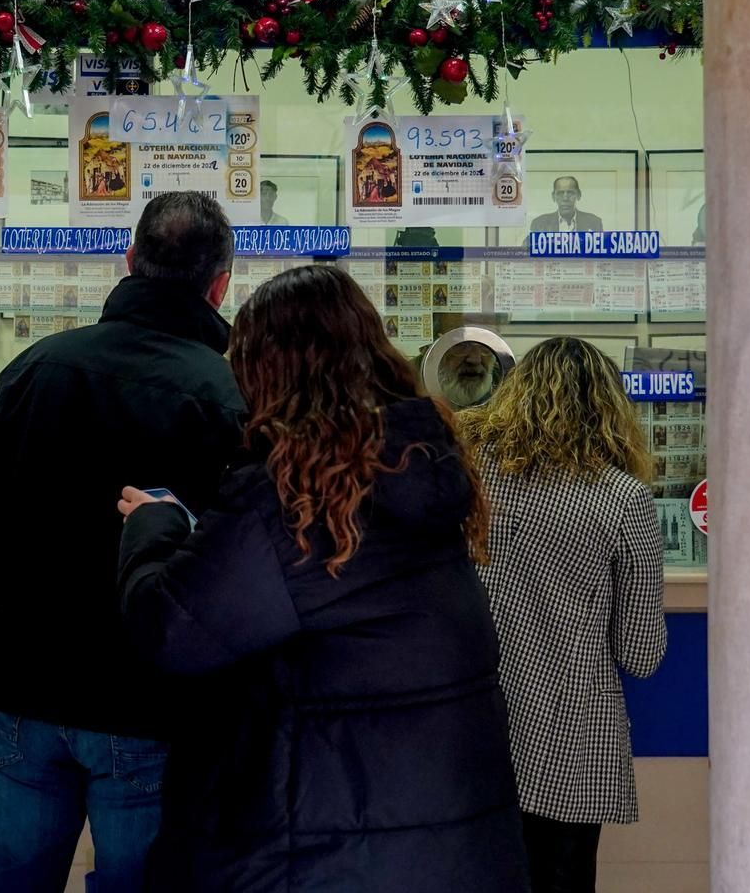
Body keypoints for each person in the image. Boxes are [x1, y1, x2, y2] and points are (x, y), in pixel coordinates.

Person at [115, 265, 530, 893]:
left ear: (272, 371)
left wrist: (158, 525)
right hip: (446, 851)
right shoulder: (418, 472)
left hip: (320, 855)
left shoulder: (291, 501)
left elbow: (169, 629)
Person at [0, 191, 245, 893]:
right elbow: (228, 567)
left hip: (26, 685)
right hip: (146, 703)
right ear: (221, 283)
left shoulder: (33, 370)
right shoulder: (225, 394)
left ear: (128, 261)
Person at [457, 337, 668, 893]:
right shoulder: (622, 498)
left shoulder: (473, 474)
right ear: (610, 409)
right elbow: (641, 655)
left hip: (476, 735)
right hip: (574, 744)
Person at [530, 176, 605, 233]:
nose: (565, 198)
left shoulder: (594, 222)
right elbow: (527, 249)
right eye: (560, 193)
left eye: (570, 193)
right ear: (553, 196)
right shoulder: (539, 224)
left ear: (578, 195)